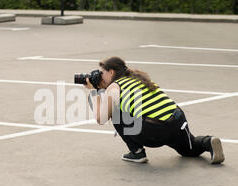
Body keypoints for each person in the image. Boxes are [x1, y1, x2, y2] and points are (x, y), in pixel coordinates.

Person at [84, 56, 225, 165]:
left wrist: (94, 92)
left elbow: (101, 119)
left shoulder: (114, 87)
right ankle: (208, 142)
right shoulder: (139, 78)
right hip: (177, 119)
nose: (99, 77)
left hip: (155, 129)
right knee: (189, 149)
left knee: (116, 113)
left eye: (101, 74)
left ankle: (137, 152)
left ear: (111, 72)